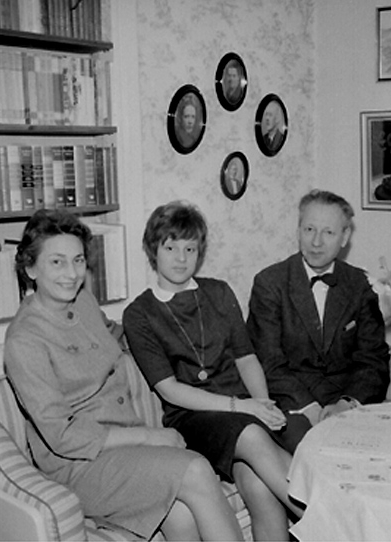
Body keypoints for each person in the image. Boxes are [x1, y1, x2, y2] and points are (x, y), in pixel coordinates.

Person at [4, 209, 243, 542]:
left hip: (121, 446)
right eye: (57, 262)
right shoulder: (24, 340)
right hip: (78, 465)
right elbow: (62, 435)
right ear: (30, 268)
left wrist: (170, 340)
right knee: (196, 468)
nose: (71, 274)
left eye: (78, 260)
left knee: (182, 514)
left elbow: (115, 335)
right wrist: (148, 436)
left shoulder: (83, 301)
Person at [123, 201, 303, 542]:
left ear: (199, 252)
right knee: (251, 434)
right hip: (192, 418)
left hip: (243, 412)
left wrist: (263, 404)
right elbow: (169, 389)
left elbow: (246, 358)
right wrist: (243, 408)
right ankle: (325, 520)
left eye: (190, 249)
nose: (181, 258)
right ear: (153, 250)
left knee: (260, 486)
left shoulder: (218, 292)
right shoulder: (140, 313)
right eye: (170, 248)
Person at [247, 189, 390, 453]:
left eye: (328, 232)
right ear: (298, 231)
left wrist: (347, 403)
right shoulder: (270, 283)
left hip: (345, 401)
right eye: (309, 229)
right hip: (292, 403)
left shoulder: (359, 285)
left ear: (344, 237)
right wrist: (309, 408)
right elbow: (268, 361)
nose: (316, 242)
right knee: (317, 449)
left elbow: (373, 359)